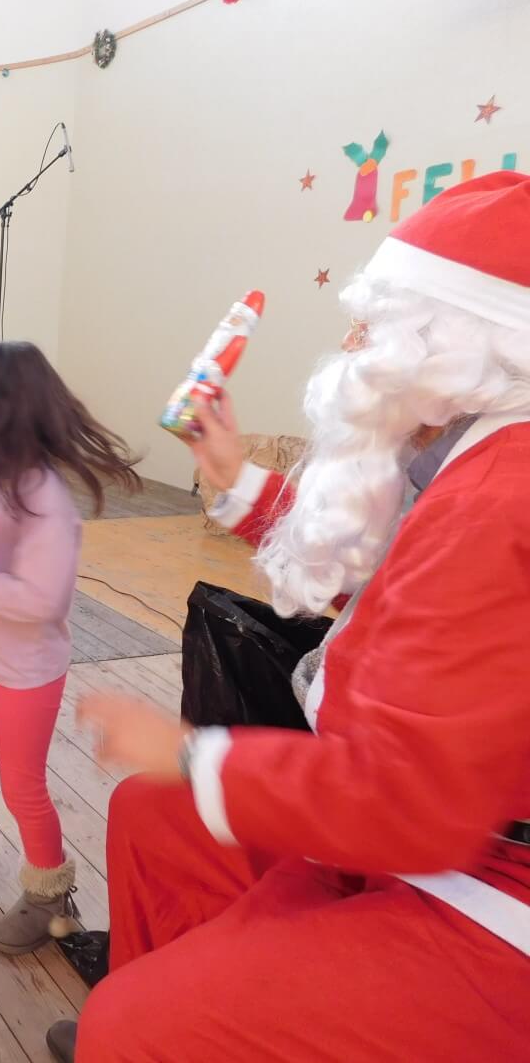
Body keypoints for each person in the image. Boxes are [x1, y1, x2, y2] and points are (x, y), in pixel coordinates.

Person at [46, 171, 530, 1062]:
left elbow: (411, 800)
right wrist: (236, 480)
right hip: (442, 827)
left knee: (130, 1026)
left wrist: (193, 752)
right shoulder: (480, 457)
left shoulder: (498, 497)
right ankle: (187, 999)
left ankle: (164, 1025)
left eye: (377, 325)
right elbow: (396, 585)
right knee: (156, 820)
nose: (350, 345)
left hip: (490, 886)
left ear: (460, 346)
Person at [0, 342, 141, 954]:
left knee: (21, 787)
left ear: (1, 415)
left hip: (27, 672)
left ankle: (48, 895)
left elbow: (43, 601)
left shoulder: (49, 504)